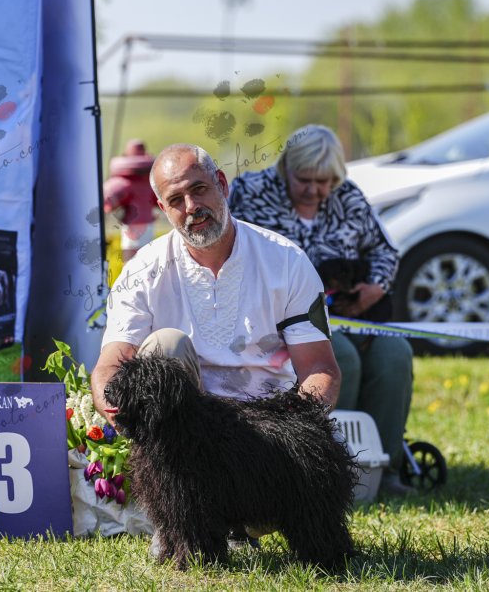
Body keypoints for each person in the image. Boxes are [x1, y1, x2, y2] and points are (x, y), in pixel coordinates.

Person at [90, 142, 341, 549]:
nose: (191, 206)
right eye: (176, 200)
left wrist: (292, 437)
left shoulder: (287, 262)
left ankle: (244, 518)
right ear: (162, 208)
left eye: (199, 189)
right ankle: (181, 513)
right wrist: (119, 411)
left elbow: (320, 370)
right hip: (188, 445)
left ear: (221, 184)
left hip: (265, 442)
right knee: (164, 347)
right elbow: (110, 366)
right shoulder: (141, 272)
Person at [228, 124, 415, 496]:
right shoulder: (251, 192)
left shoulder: (348, 196)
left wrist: (375, 287)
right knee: (341, 358)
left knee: (395, 354)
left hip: (349, 315)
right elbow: (235, 257)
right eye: (305, 179)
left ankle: (384, 469)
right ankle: (332, 467)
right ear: (286, 168)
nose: (314, 190)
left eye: (324, 182)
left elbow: (385, 251)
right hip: (282, 320)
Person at [103, 139, 157, 262]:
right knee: (147, 257)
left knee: (130, 260)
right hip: (148, 225)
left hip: (131, 226)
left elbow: (108, 202)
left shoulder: (122, 184)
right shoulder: (150, 184)